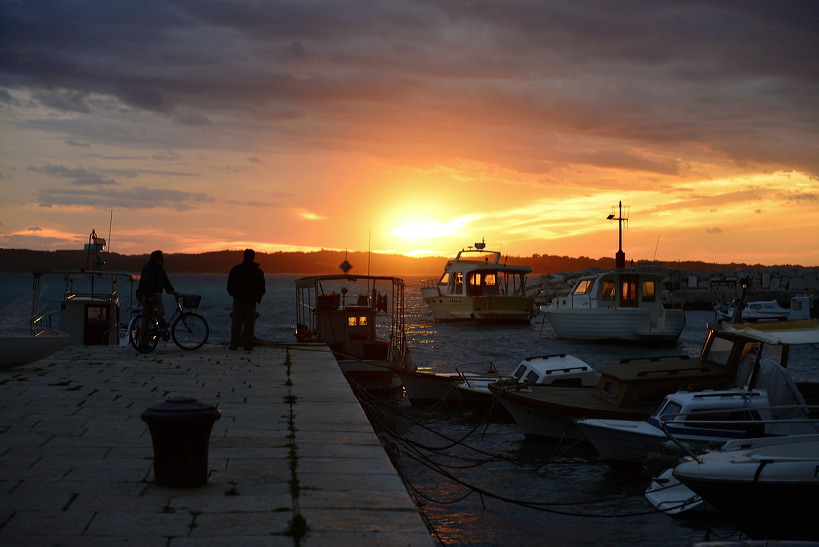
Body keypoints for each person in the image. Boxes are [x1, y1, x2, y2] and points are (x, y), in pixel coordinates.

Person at [227, 249, 266, 351]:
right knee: (250, 322)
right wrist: (257, 297)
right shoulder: (258, 271)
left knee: (236, 322)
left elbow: (229, 285)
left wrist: (234, 294)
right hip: (251, 300)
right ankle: (248, 345)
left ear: (244, 256)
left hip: (238, 298)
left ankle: (234, 344)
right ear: (253, 257)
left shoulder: (235, 269)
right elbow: (262, 288)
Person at [136, 250, 177, 331]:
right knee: (147, 318)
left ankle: (159, 321)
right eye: (161, 258)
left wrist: (172, 291)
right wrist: (149, 296)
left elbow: (165, 281)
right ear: (156, 259)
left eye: (163, 257)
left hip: (151, 294)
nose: (163, 259)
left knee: (150, 316)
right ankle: (143, 341)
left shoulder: (159, 269)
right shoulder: (149, 268)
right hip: (145, 295)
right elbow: (147, 284)